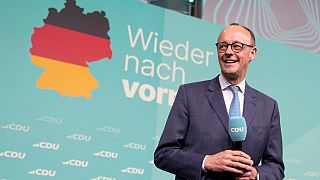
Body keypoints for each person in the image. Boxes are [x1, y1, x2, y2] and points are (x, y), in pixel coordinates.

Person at [154, 23, 285, 180]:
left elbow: (276, 166)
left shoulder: (268, 107)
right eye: (223, 46)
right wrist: (206, 162)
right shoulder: (189, 95)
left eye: (237, 46)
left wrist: (256, 174)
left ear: (252, 53)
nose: (228, 52)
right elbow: (164, 154)